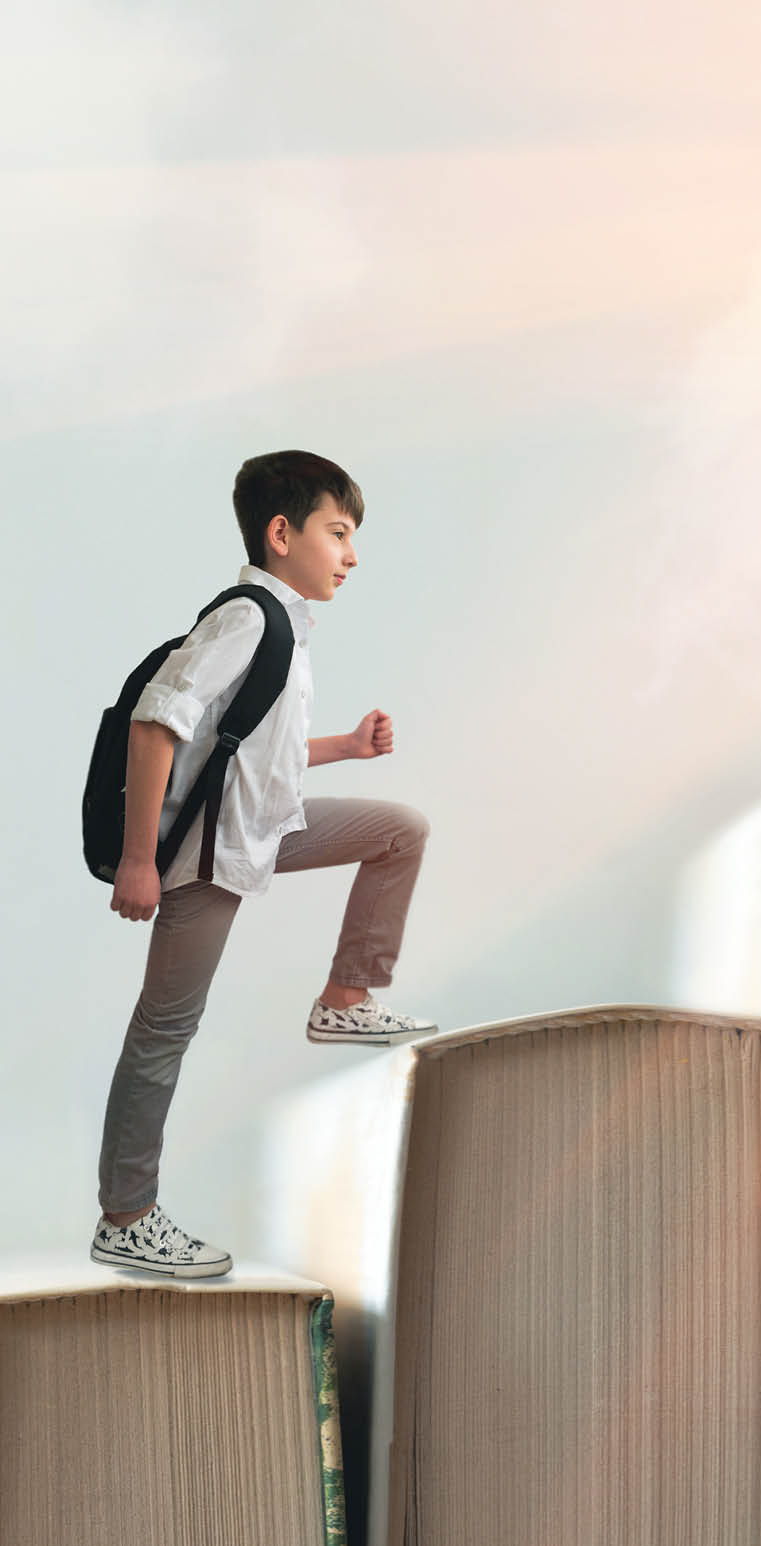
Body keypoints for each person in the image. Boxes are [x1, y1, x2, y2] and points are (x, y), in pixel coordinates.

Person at [90, 450, 433, 1279]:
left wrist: (346, 749)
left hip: (263, 827)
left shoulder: (283, 626)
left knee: (399, 829)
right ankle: (126, 1216)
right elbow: (154, 724)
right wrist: (142, 860)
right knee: (165, 1028)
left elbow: (249, 756)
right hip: (207, 857)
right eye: (338, 533)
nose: (351, 556)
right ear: (282, 534)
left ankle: (345, 998)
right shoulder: (247, 618)